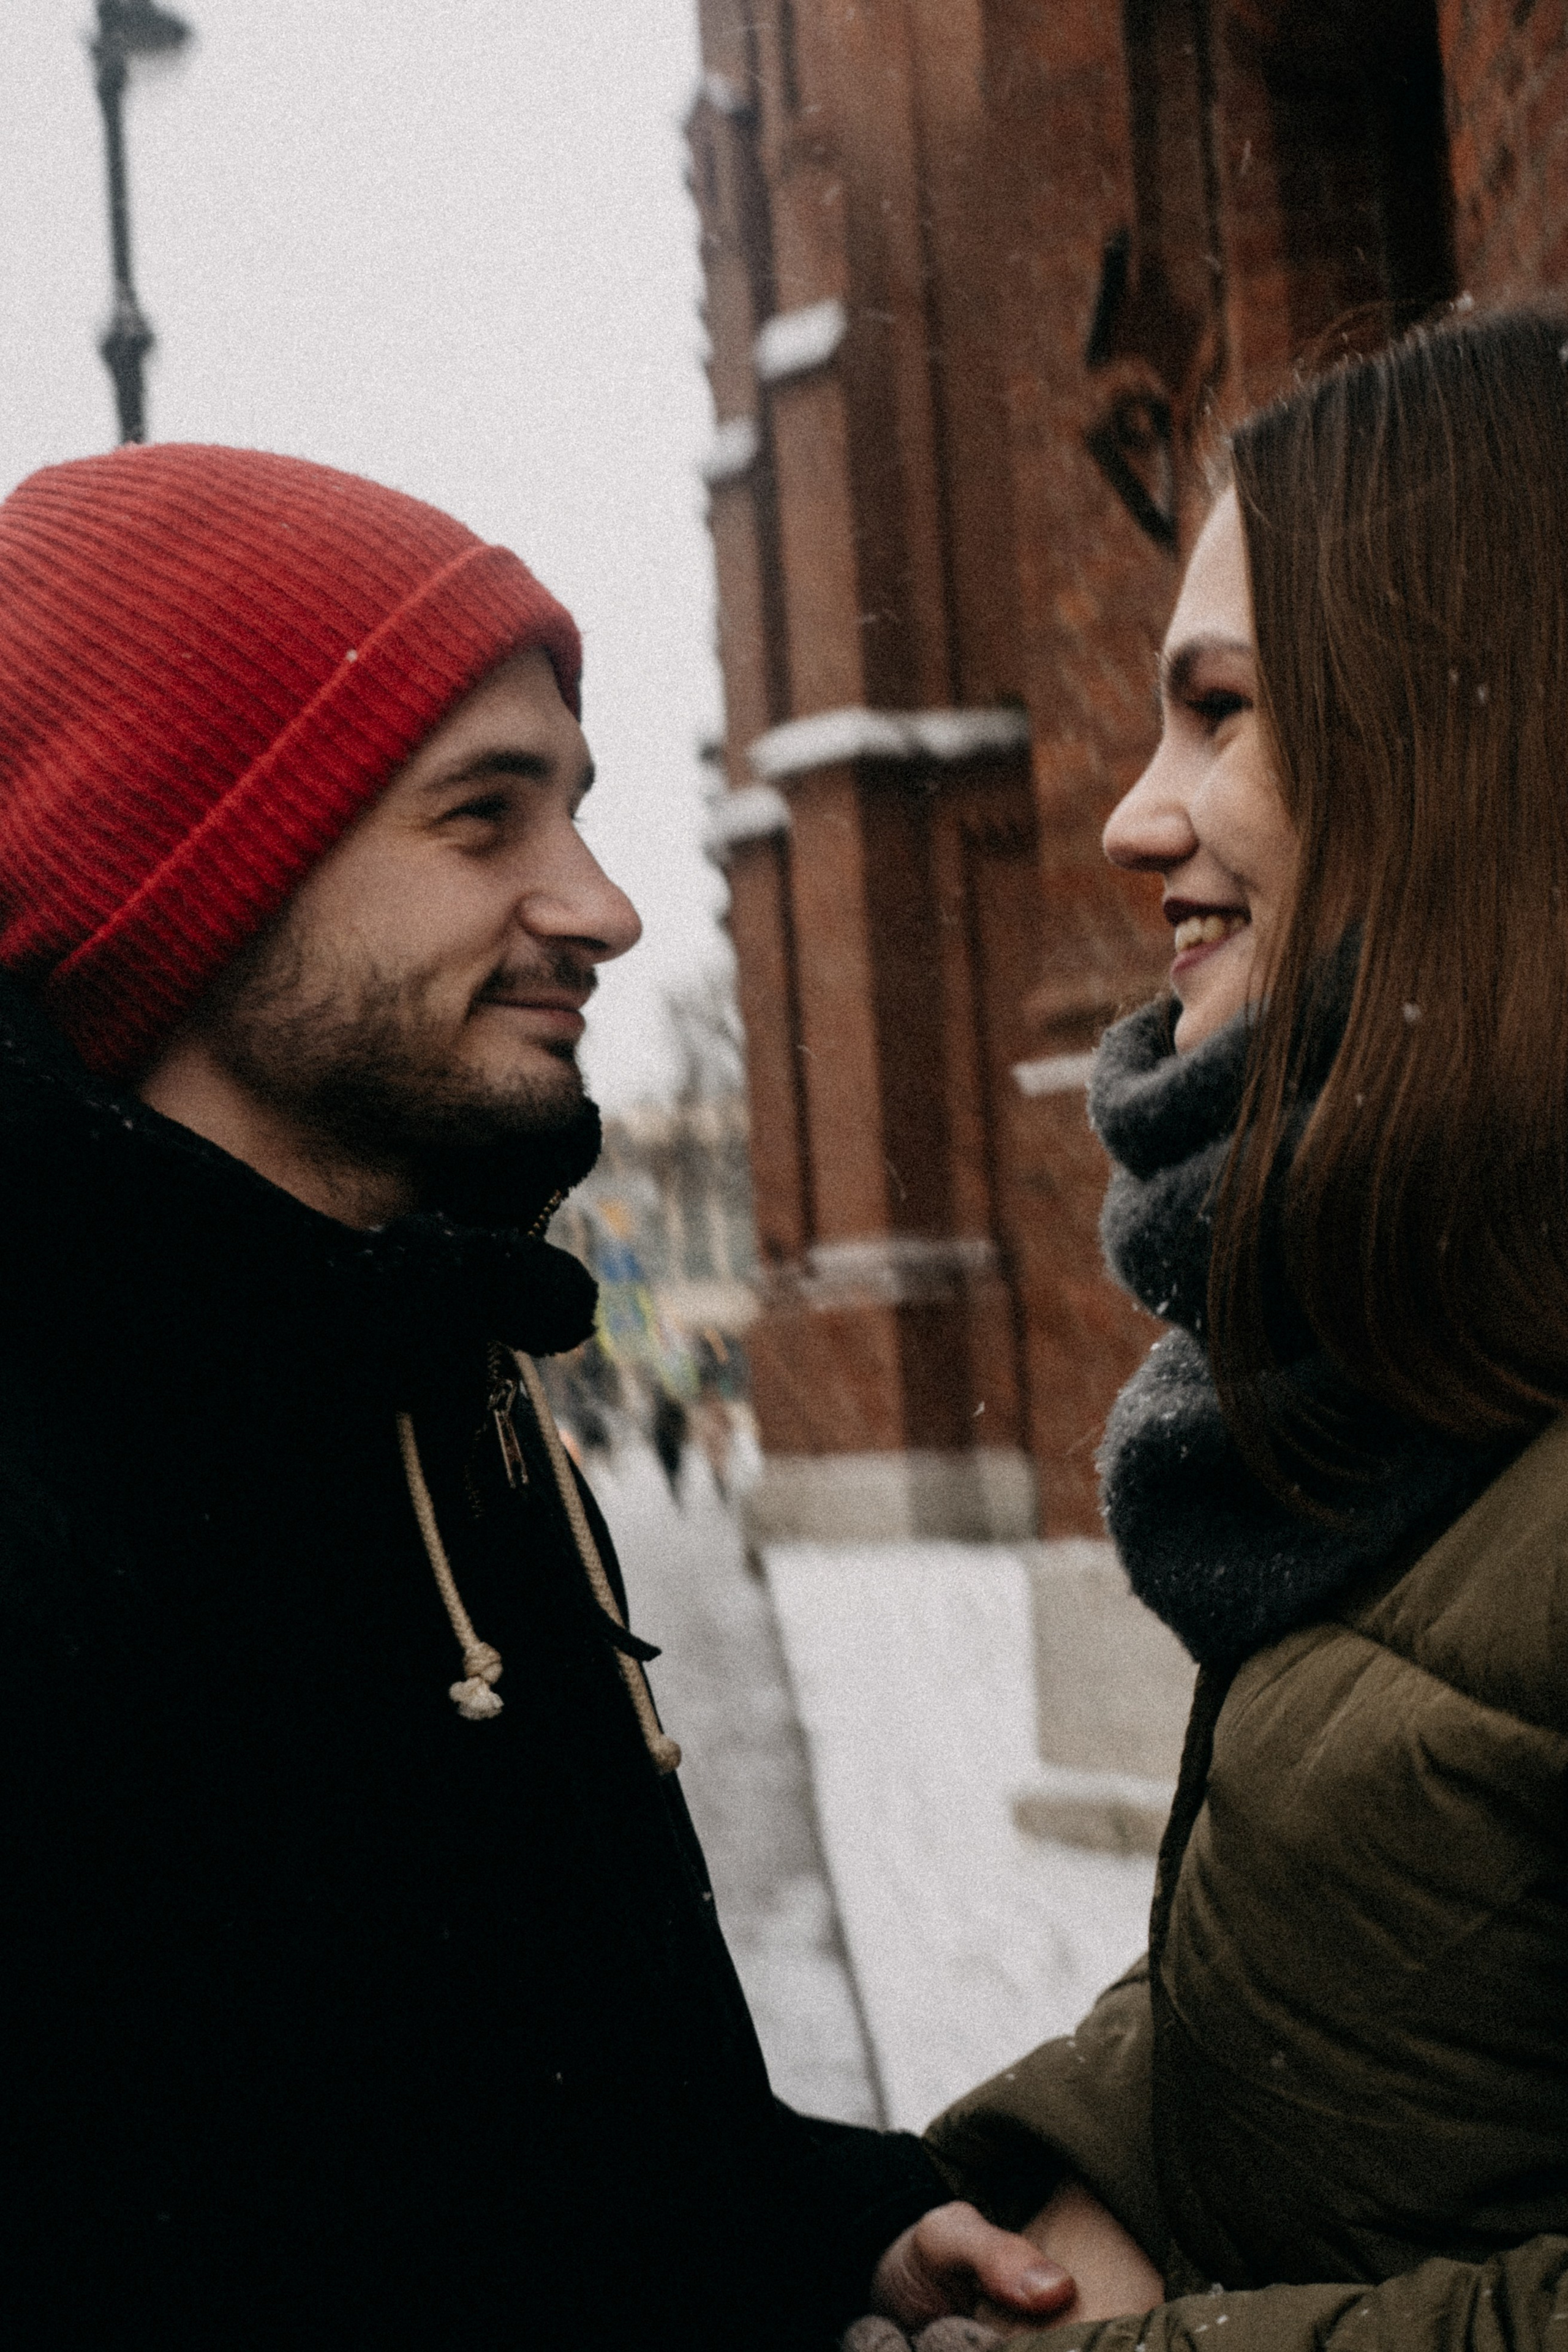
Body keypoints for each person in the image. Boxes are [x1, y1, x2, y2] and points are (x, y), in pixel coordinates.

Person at [0, 443, 1068, 2348]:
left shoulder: (441, 1380)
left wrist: (834, 2231)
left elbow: (535, 2139)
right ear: (193, 874)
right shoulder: (57, 1515)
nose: (602, 907)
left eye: (574, 809)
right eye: (484, 819)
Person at [880, 304, 1568, 2350]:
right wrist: (1083, 2188)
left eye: (1222, 711)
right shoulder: (1404, 1332)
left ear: (1465, 739)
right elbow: (1345, 1945)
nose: (1130, 816)